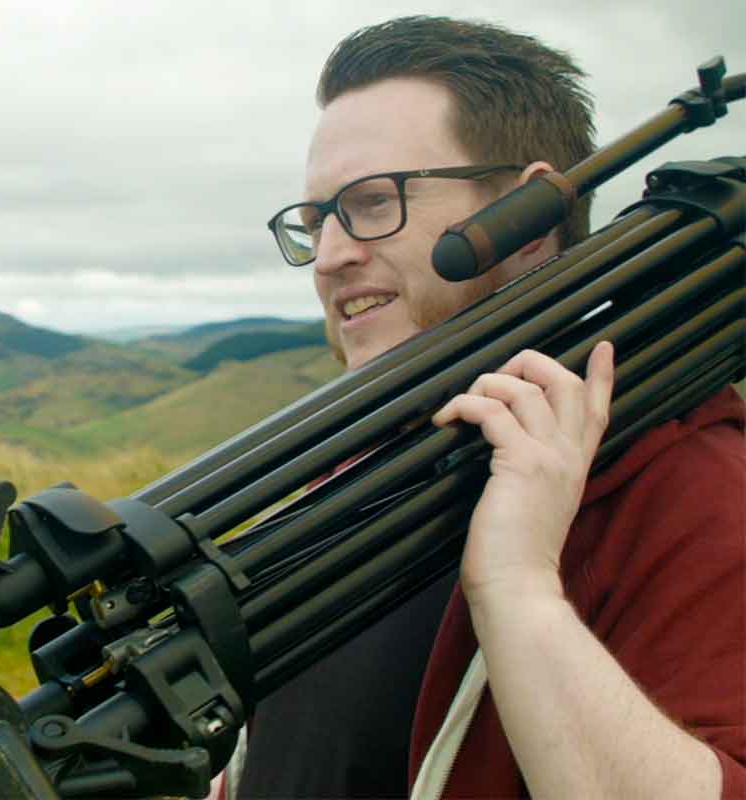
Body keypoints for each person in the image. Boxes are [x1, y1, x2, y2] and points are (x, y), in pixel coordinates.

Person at [221, 15, 745, 799]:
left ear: (530, 222)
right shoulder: (353, 462)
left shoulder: (689, 486)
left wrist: (519, 588)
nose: (330, 256)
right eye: (316, 219)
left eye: (373, 202)